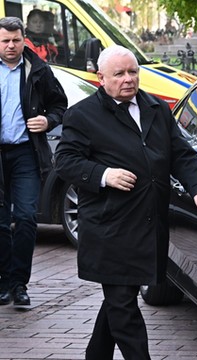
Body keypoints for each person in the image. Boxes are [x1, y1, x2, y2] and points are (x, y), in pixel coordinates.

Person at [54, 45, 197, 359]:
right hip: (108, 228)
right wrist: (104, 174)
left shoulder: (156, 108)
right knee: (124, 309)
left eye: (133, 72)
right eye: (119, 74)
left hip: (148, 223)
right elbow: (65, 162)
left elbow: (181, 154)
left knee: (120, 297)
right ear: (101, 78)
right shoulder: (82, 115)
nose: (128, 79)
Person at [0, 16, 67, 308]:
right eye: (5, 41)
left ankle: (19, 284)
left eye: (16, 40)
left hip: (27, 153)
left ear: (23, 39)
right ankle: (3, 283)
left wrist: (48, 120)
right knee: (0, 223)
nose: (11, 45)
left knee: (27, 217)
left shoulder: (38, 70)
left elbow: (60, 105)